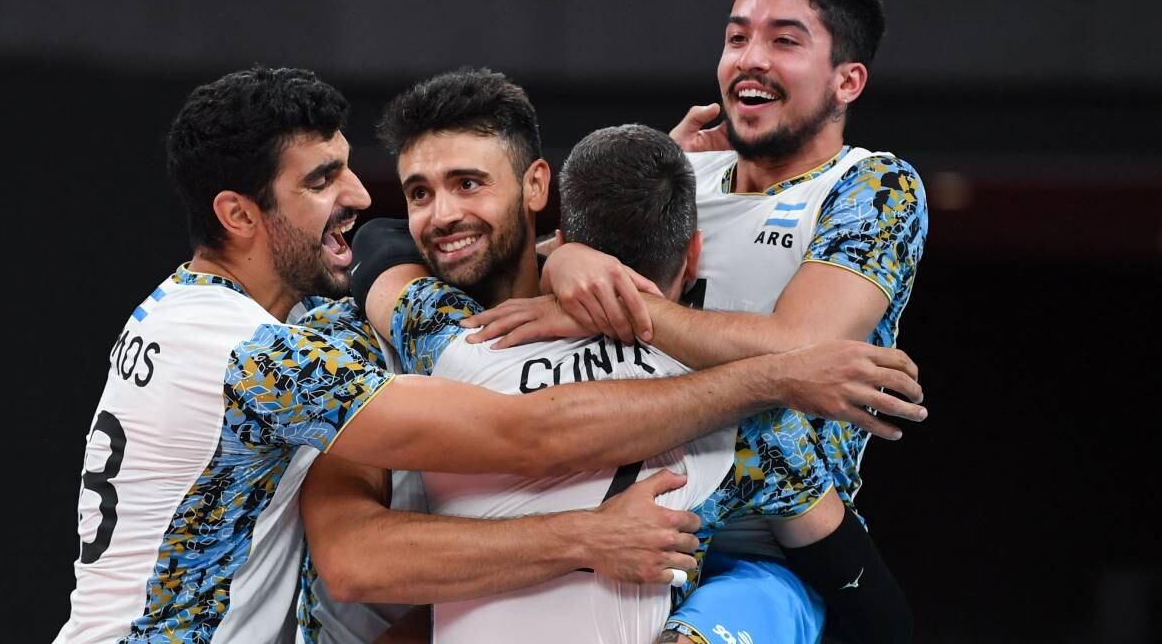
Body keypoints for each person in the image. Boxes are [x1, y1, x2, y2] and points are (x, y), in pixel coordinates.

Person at [54, 65, 923, 643]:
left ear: (540, 190)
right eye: (421, 190)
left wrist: (588, 251)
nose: (430, 213)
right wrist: (775, 372)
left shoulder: (409, 318)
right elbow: (368, 552)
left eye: (469, 184)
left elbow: (854, 587)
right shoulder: (352, 338)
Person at [468, 0, 929, 644]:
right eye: (737, 36)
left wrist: (626, 301)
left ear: (847, 81)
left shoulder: (872, 187)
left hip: (772, 550)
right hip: (620, 513)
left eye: (784, 40)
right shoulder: (686, 173)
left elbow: (803, 354)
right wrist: (570, 255)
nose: (750, 57)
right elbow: (530, 287)